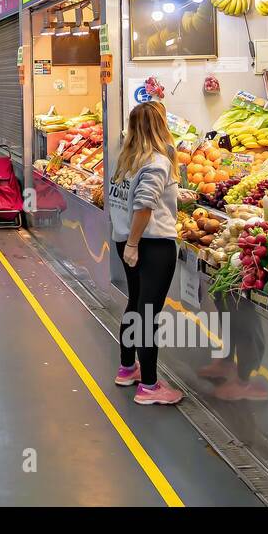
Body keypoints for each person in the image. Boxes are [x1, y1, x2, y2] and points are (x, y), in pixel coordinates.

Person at [106, 101, 184, 406]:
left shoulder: (125, 160)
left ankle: (128, 368)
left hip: (126, 240)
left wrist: (128, 243)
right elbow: (144, 206)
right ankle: (150, 387)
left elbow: (126, 200)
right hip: (150, 245)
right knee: (148, 314)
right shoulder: (157, 161)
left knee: (135, 305)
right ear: (160, 125)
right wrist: (136, 245)